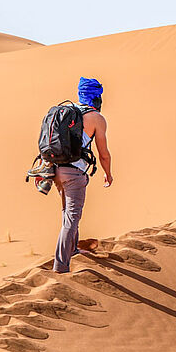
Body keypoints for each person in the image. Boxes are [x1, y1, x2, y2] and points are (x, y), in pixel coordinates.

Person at [52, 77, 113, 273]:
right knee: (72, 217)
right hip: (74, 173)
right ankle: (61, 265)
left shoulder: (65, 113)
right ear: (96, 97)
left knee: (67, 214)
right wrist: (108, 174)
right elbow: (103, 153)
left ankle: (73, 249)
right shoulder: (96, 118)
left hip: (56, 170)